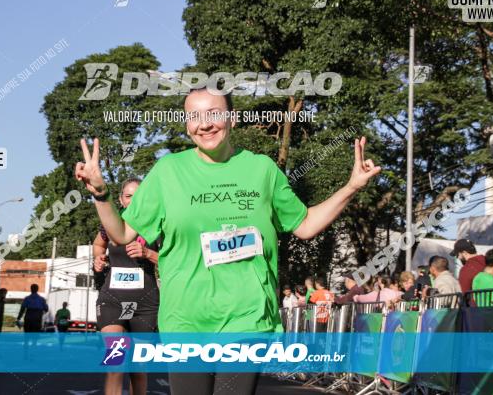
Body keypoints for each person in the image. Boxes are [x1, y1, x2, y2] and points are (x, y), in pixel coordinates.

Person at [75, 87, 382, 395]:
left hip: (246, 317)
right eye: (194, 116)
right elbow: (123, 234)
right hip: (186, 321)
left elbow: (304, 224)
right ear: (186, 125)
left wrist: (351, 186)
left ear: (232, 119)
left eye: (213, 114)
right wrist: (100, 193)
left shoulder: (262, 169)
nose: (204, 124)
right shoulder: (168, 171)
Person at [92, 178, 159, 395]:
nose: (133, 200)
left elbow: (174, 259)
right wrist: (98, 258)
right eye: (128, 196)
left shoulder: (157, 226)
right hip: (112, 300)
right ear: (121, 199)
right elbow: (98, 244)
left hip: (145, 304)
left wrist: (148, 253)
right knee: (116, 362)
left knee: (138, 368)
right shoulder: (111, 225)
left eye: (138, 195)